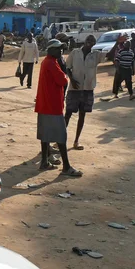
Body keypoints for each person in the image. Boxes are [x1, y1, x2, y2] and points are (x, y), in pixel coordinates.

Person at [35, 39, 82, 177]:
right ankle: (66, 167)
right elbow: (62, 80)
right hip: (53, 106)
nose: (60, 51)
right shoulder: (51, 63)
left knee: (45, 134)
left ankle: (44, 160)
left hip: (44, 104)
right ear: (50, 50)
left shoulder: (46, 62)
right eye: (57, 48)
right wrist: (65, 76)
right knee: (61, 136)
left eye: (61, 48)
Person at [65, 35, 112, 150]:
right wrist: (71, 78)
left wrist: (118, 44)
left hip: (88, 89)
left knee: (82, 115)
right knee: (68, 114)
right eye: (88, 40)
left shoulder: (95, 55)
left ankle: (76, 141)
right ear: (85, 41)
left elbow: (110, 55)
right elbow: (67, 67)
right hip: (74, 88)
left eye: (92, 41)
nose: (90, 42)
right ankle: (60, 140)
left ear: (94, 43)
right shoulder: (75, 53)